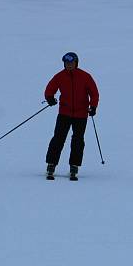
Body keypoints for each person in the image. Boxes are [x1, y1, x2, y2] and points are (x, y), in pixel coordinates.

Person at [44, 52, 99, 181]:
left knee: (78, 140)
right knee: (58, 139)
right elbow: (49, 88)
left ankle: (74, 166)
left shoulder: (85, 76)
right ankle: (51, 165)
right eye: (67, 63)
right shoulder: (60, 76)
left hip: (81, 114)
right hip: (64, 113)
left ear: (76, 63)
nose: (69, 65)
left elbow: (94, 93)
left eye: (71, 63)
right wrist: (49, 98)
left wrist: (93, 106)